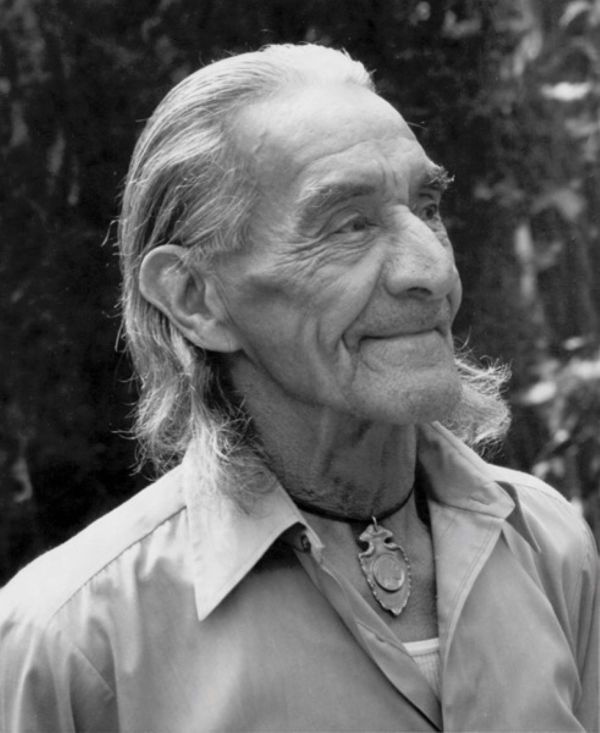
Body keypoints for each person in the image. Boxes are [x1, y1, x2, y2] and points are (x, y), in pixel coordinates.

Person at [0, 43, 598, 733]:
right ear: (195, 297)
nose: (433, 271)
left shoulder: (547, 542)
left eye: (427, 206)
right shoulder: (70, 642)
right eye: (350, 225)